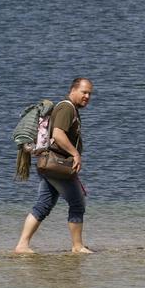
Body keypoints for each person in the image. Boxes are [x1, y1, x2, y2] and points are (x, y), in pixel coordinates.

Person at [14, 78, 94, 254]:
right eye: (84, 92)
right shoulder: (66, 108)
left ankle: (22, 245)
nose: (87, 96)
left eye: (90, 93)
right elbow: (58, 135)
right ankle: (77, 246)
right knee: (77, 203)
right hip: (57, 165)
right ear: (73, 90)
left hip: (48, 164)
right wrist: (75, 154)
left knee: (43, 204)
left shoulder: (68, 108)